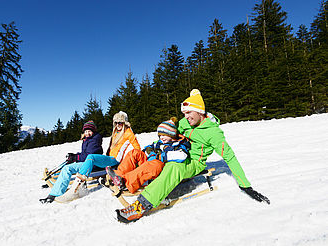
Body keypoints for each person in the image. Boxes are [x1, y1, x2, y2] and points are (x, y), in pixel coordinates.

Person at [116, 89, 270, 223]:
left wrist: (246, 185)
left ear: (200, 111)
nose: (186, 117)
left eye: (188, 112)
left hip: (194, 162)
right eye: (184, 113)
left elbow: (230, 157)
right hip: (177, 152)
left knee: (173, 167)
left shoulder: (213, 133)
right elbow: (171, 132)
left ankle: (140, 206)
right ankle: (122, 178)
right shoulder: (186, 122)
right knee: (145, 156)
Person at [40, 111, 140, 203]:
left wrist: (134, 163)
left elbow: (137, 150)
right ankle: (53, 194)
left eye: (120, 123)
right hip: (107, 158)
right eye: (116, 123)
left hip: (114, 161)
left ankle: (76, 188)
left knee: (91, 157)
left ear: (125, 123)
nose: (118, 125)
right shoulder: (116, 132)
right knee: (67, 168)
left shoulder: (128, 133)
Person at [106, 117, 190, 194]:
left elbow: (182, 155)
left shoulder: (178, 144)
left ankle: (125, 182)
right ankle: (118, 175)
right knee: (135, 152)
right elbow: (149, 147)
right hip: (150, 161)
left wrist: (161, 156)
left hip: (159, 167)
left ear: (171, 134)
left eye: (164, 135)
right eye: (160, 135)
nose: (161, 138)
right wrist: (148, 150)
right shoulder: (160, 142)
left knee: (154, 165)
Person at [42, 120, 103, 188]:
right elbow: (85, 153)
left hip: (92, 164)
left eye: (89, 131)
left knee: (68, 168)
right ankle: (54, 179)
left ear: (93, 131)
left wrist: (76, 157)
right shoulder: (88, 139)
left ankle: (60, 184)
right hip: (87, 162)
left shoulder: (94, 141)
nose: (87, 133)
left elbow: (89, 156)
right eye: (85, 131)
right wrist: (74, 155)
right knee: (67, 163)